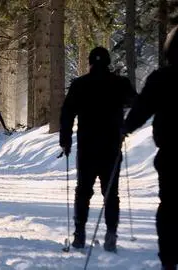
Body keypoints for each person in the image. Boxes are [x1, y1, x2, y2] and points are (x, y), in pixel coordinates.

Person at [59, 47, 136, 252]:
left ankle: (79, 234)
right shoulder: (120, 83)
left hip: (87, 147)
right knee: (111, 192)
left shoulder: (80, 84)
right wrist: (125, 126)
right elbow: (136, 103)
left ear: (90, 62)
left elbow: (67, 112)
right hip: (111, 146)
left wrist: (65, 140)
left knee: (83, 191)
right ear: (108, 62)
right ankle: (111, 233)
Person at [123, 26, 178, 270]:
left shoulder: (161, 78)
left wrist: (125, 128)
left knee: (169, 206)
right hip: (171, 154)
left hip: (172, 154)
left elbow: (142, 109)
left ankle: (168, 259)